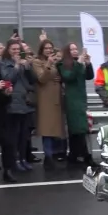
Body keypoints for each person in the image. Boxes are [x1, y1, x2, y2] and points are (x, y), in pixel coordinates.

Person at [0, 39, 37, 171]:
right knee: (13, 136)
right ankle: (13, 161)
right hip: (12, 104)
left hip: (25, 102)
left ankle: (23, 158)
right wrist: (16, 66)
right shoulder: (3, 63)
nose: (16, 52)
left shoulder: (24, 63)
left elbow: (32, 80)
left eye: (18, 49)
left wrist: (27, 67)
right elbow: (8, 79)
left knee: (24, 135)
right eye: (13, 49)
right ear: (8, 50)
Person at [57, 43, 96, 166]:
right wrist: (79, 63)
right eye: (72, 49)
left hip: (81, 99)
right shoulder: (63, 65)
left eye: (76, 49)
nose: (75, 51)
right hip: (72, 100)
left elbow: (89, 76)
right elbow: (69, 77)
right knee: (79, 128)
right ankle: (86, 156)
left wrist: (88, 63)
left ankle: (73, 155)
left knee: (76, 129)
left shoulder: (78, 64)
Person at [32, 39, 64, 170]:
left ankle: (54, 155)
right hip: (45, 99)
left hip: (55, 98)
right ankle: (48, 156)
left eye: (51, 48)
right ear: (41, 49)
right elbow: (41, 78)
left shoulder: (54, 61)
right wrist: (49, 65)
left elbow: (58, 76)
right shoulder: (37, 62)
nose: (49, 50)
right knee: (46, 129)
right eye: (46, 48)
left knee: (54, 129)